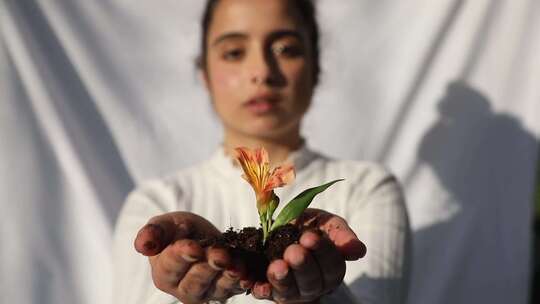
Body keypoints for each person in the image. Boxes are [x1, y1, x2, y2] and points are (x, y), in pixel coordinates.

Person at [112, 0, 411, 303]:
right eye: (234, 53)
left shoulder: (367, 186)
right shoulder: (155, 202)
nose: (261, 72)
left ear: (315, 67)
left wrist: (321, 294)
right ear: (204, 73)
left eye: (285, 49)